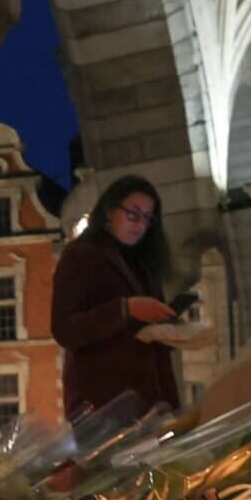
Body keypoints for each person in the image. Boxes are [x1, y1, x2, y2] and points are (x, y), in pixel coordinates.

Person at [51, 176, 188, 416]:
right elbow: (64, 329)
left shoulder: (143, 261)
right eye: (133, 214)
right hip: (103, 405)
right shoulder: (80, 255)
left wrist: (173, 329)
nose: (139, 225)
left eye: (147, 218)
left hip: (151, 400)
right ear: (108, 211)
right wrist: (125, 309)